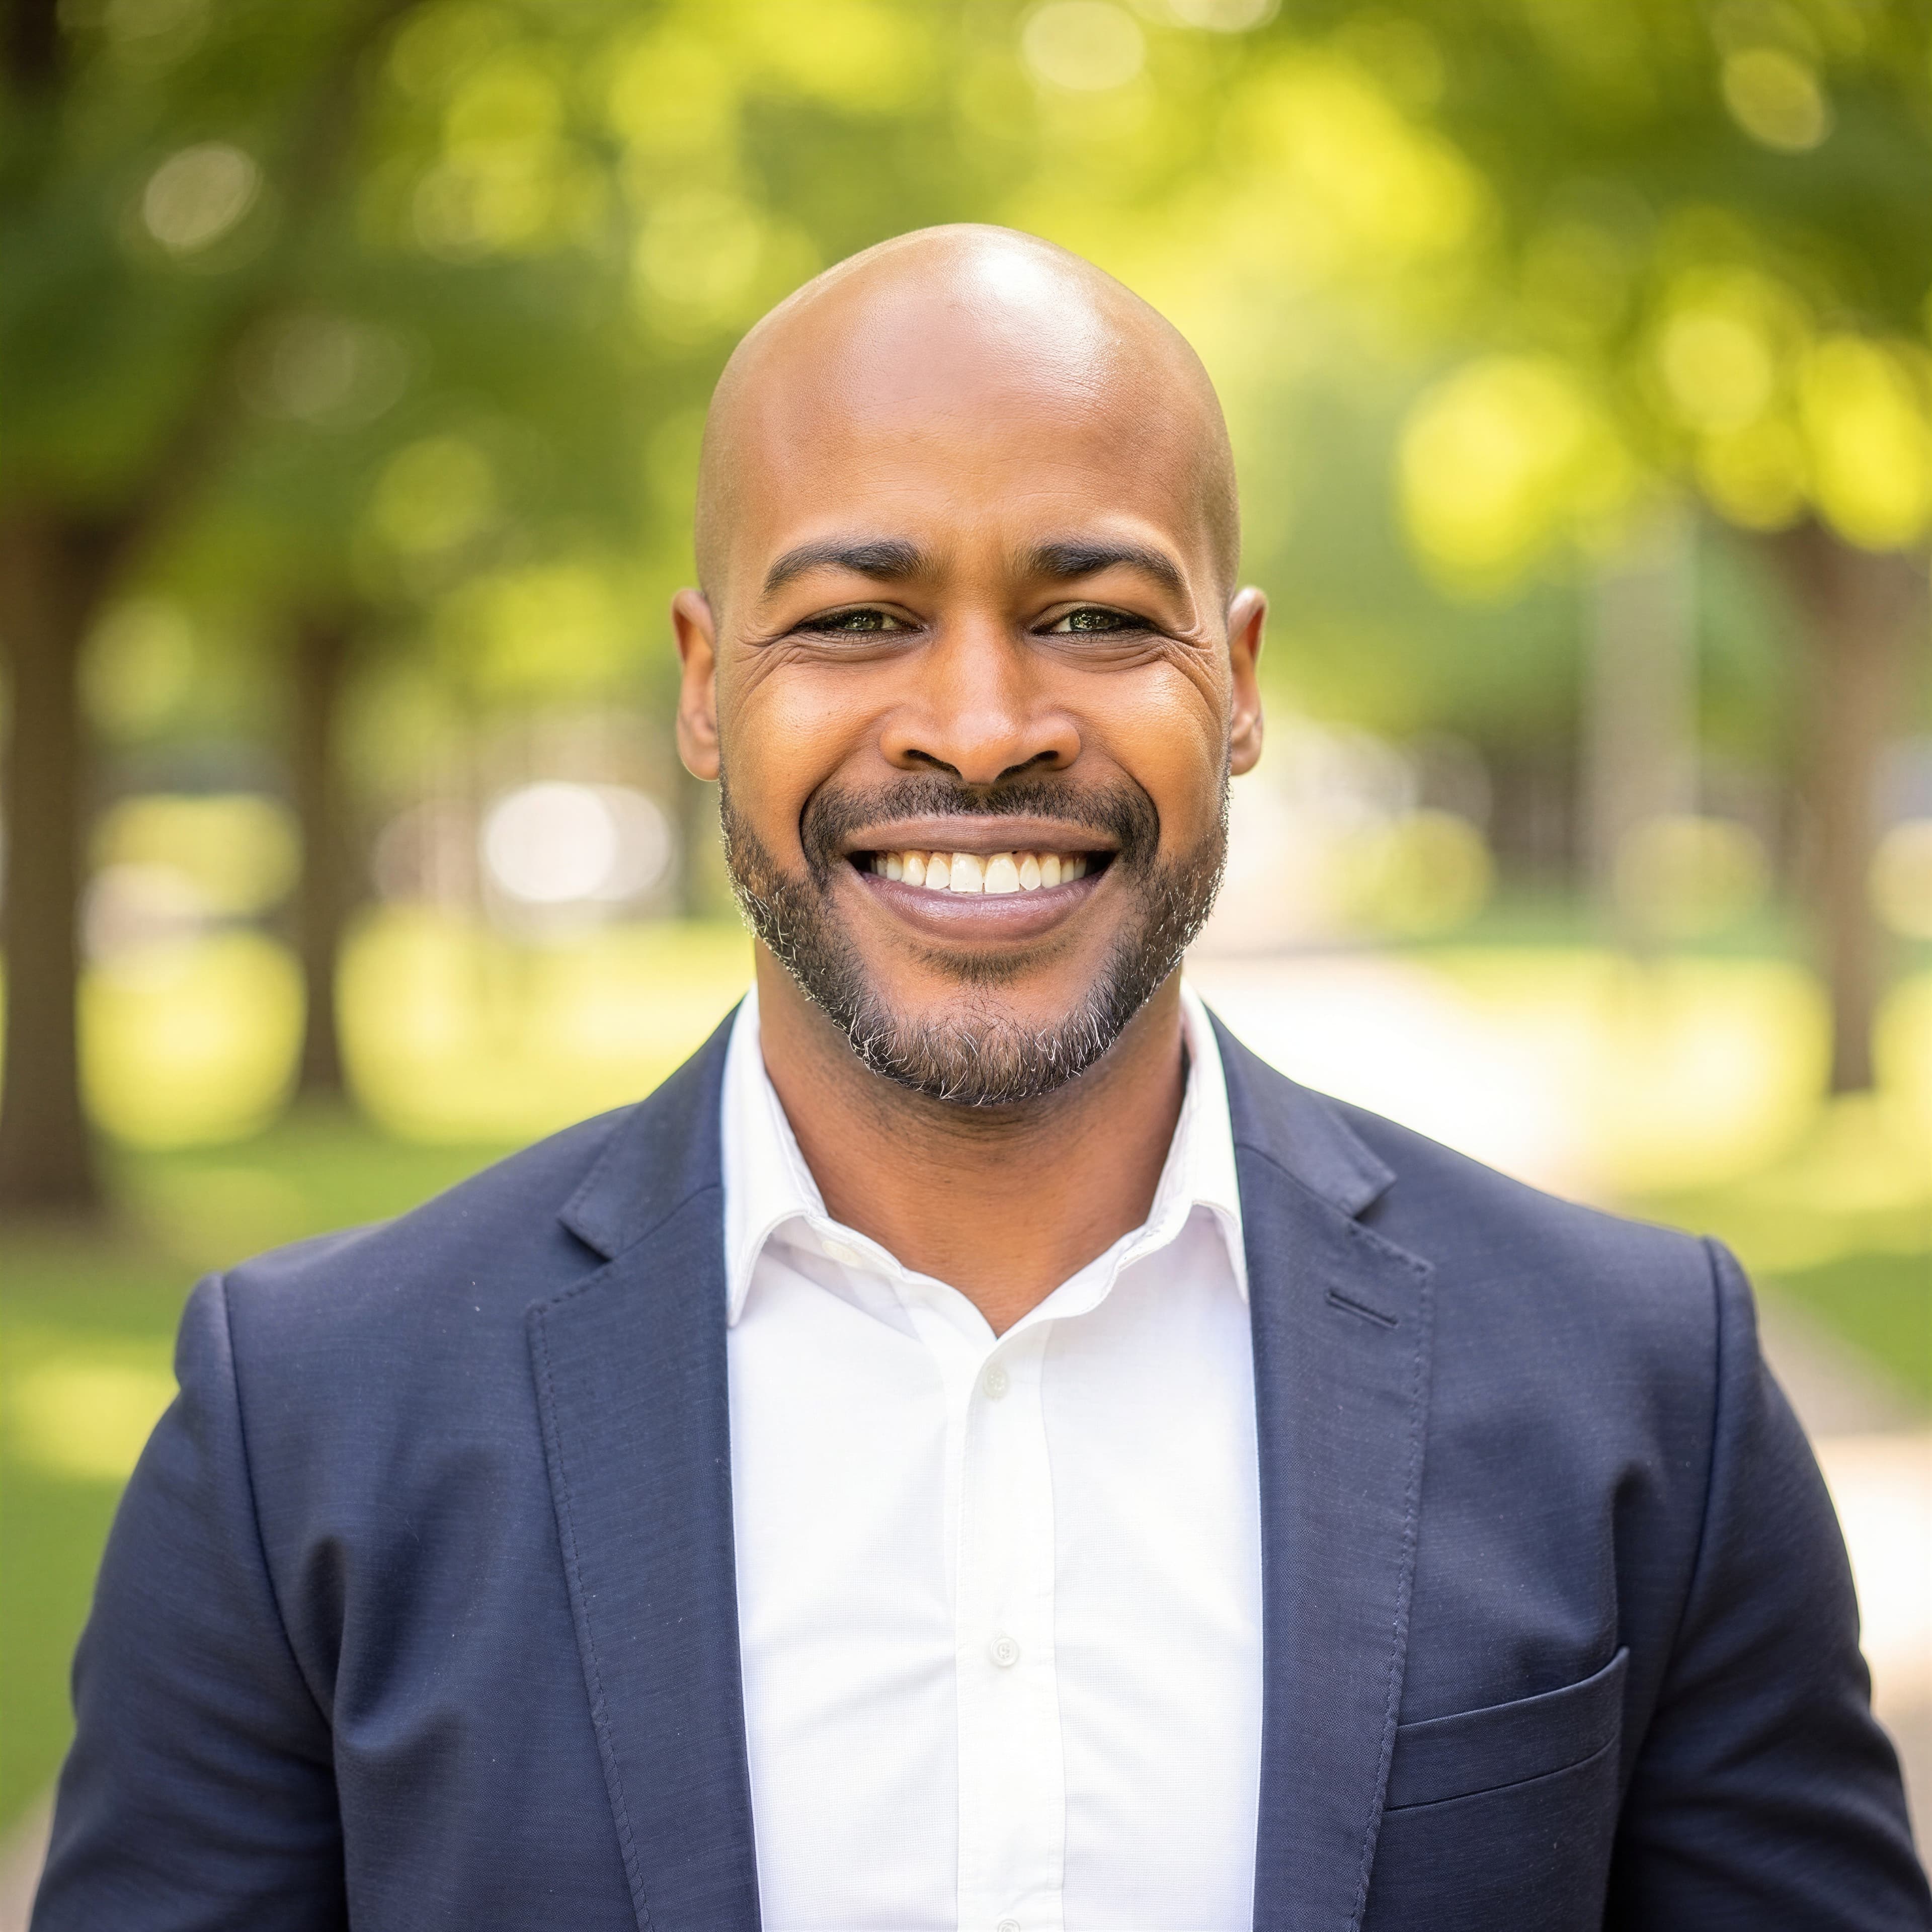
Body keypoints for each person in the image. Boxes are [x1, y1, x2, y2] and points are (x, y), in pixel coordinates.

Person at [31, 226, 1927, 1932]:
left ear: (1240, 684)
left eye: (1095, 615)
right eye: (857, 618)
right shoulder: (306, 1431)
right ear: (707, 687)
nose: (981, 727)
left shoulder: (1640, 1388)